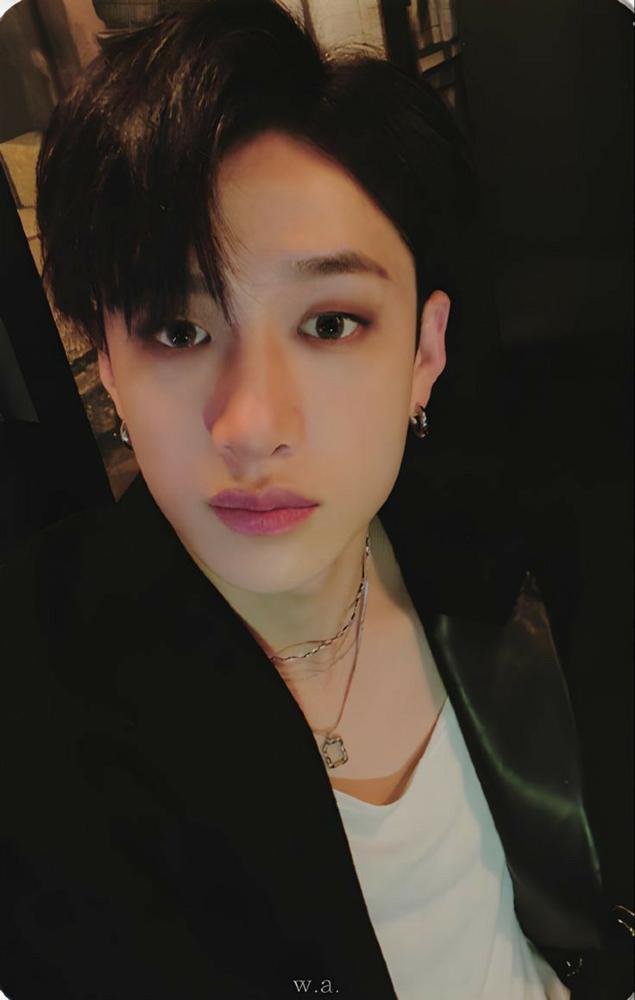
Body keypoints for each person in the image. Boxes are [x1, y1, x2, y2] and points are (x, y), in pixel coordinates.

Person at [0, 2, 631, 998]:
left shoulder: (533, 546)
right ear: (106, 362)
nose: (250, 424)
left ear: (423, 352)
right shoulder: (40, 699)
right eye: (176, 329)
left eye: (330, 322)